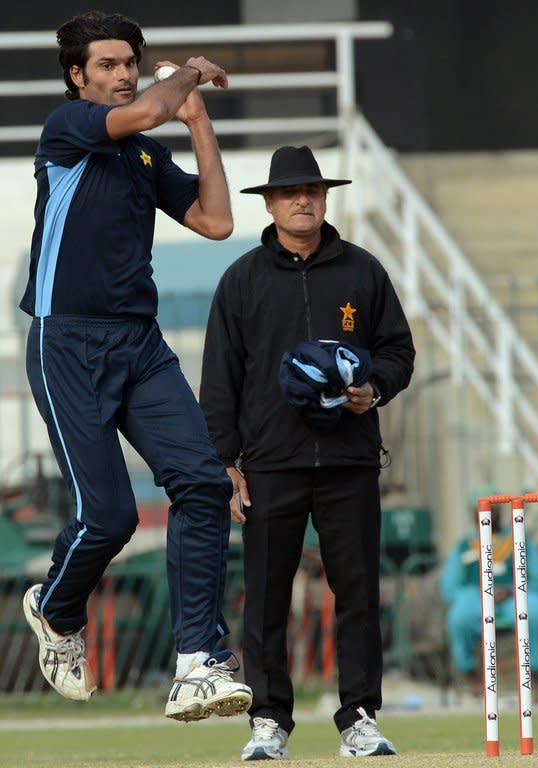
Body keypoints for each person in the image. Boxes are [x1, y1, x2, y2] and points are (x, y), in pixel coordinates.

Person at [20, 10, 252, 722]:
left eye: (130, 63)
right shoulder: (68, 131)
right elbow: (149, 106)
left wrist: (199, 118)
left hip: (139, 344)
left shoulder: (145, 156)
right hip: (68, 342)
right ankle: (57, 610)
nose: (123, 74)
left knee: (205, 483)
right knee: (110, 515)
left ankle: (196, 663)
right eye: (109, 65)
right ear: (77, 76)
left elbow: (217, 221)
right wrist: (185, 75)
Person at [199, 145, 415, 759]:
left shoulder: (363, 270)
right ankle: (268, 721)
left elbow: (399, 351)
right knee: (266, 598)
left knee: (359, 594)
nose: (303, 201)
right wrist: (226, 463)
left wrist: (373, 392)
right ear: (269, 203)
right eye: (291, 192)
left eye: (314, 192)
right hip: (270, 464)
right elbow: (220, 380)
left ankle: (360, 718)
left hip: (349, 460)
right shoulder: (241, 279)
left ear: (325, 200)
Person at [440, 490, 538, 695]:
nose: (488, 514)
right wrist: (482, 593)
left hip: (513, 598)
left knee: (534, 610)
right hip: (476, 601)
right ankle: (471, 674)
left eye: (493, 510)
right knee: (459, 614)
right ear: (473, 513)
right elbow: (449, 587)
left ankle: (535, 675)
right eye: (481, 510)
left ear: (500, 511)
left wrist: (511, 590)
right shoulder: (464, 545)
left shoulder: (519, 540)